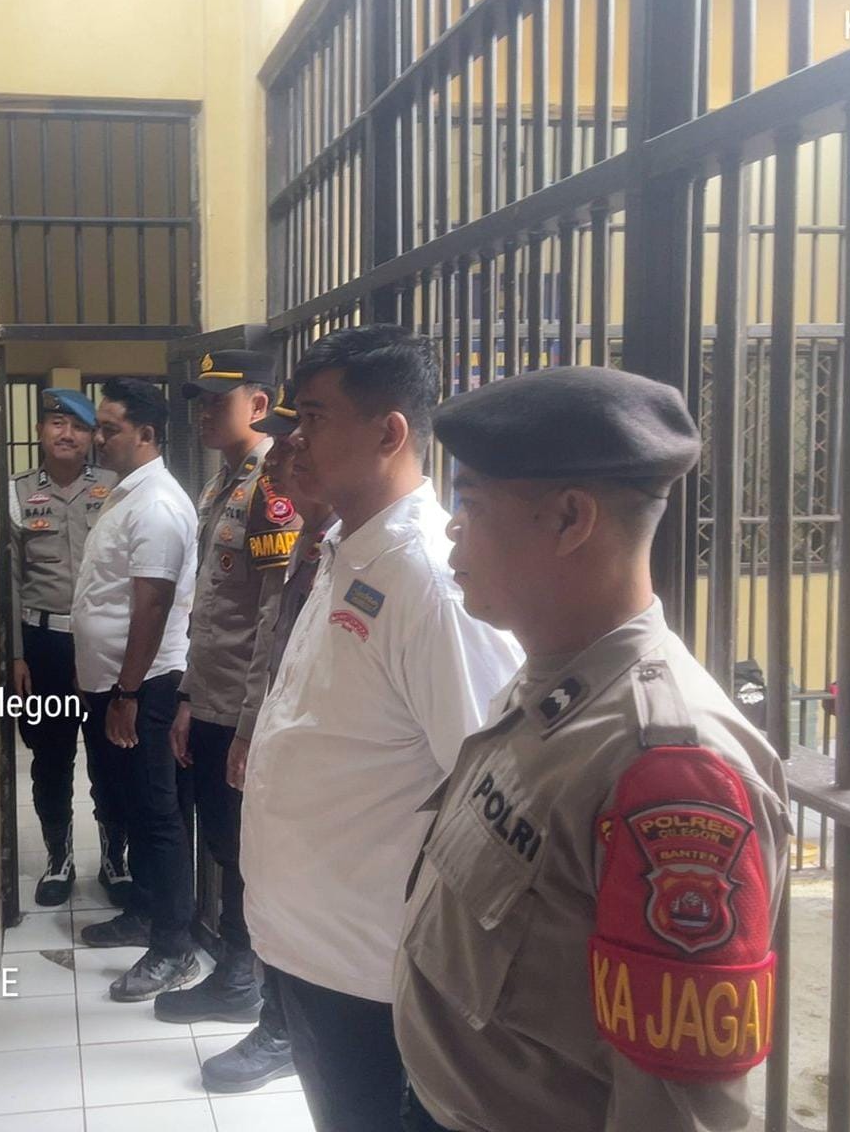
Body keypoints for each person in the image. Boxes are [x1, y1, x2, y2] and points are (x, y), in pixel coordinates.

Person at [393, 366, 792, 1132]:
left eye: (473, 503)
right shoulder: (551, 677)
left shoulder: (669, 767)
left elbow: (677, 1113)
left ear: (570, 519)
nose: (451, 527)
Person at [240, 326, 523, 1132]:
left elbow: (487, 792)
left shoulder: (429, 578)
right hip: (317, 951)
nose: (294, 439)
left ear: (389, 432)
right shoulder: (347, 548)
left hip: (379, 972)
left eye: (315, 417)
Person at [153, 352, 301, 1086]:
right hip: (211, 697)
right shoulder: (222, 481)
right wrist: (188, 698)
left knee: (249, 853)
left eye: (219, 400)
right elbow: (208, 608)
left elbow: (272, 615)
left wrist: (246, 724)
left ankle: (252, 984)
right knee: (223, 842)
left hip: (244, 705)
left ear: (260, 404)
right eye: (201, 401)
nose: (204, 413)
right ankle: (238, 972)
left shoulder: (274, 484)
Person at [197, 380, 335, 1095]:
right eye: (282, 443)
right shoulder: (319, 541)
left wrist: (247, 726)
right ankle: (266, 1005)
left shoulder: (379, 557)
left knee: (280, 882)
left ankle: (272, 1015)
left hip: (318, 766)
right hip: (263, 727)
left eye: (301, 439)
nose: (284, 456)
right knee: (254, 865)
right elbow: (273, 640)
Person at [72, 378, 200, 1002]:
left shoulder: (158, 505)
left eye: (109, 428)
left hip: (145, 685)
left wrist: (126, 693)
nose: (98, 438)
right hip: (115, 683)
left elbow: (152, 604)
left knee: (157, 814)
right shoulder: (127, 495)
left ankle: (174, 949)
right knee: (128, 802)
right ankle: (145, 912)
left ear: (146, 433)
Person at [9, 387, 131, 907]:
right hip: (44, 649)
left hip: (103, 644)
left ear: (93, 437)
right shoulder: (16, 493)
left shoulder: (116, 488)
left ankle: (114, 858)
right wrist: (16, 654)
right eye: (57, 423)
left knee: (109, 755)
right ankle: (58, 858)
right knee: (50, 757)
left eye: (79, 427)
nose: (67, 434)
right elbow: (11, 581)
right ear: (41, 431)